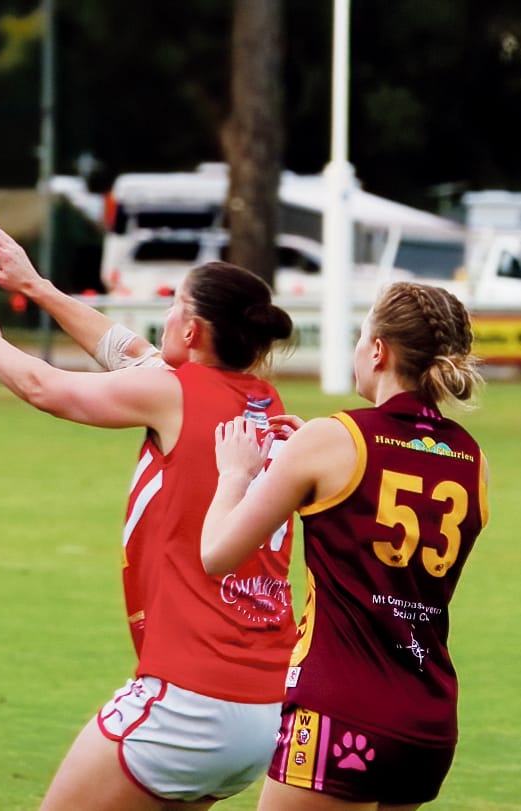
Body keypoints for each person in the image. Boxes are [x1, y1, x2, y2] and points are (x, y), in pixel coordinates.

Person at [0, 218, 296, 809]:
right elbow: (128, 352)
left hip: (189, 699)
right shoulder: (262, 402)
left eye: (175, 307)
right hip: (262, 708)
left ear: (193, 330)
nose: (165, 317)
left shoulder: (175, 393)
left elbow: (52, 390)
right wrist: (39, 287)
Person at [201, 281, 488, 809]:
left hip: (338, 712)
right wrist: (319, 449)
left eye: (361, 337)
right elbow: (392, 491)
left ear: (378, 350)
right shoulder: (472, 459)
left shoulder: (333, 440)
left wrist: (234, 475)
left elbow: (217, 553)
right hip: (428, 723)